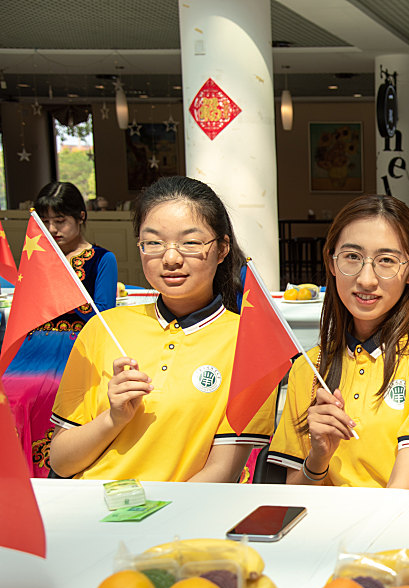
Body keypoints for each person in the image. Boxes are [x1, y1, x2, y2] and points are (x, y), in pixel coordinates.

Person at [48, 176, 274, 481]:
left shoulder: (250, 344)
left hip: (184, 510)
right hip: (92, 504)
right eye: (153, 242)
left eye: (190, 243)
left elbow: (222, 471)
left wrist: (154, 512)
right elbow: (61, 462)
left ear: (222, 249)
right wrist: (113, 418)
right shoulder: (103, 328)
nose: (170, 258)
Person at [267, 195, 409, 490]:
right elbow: (294, 496)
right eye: (352, 257)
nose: (366, 279)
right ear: (332, 262)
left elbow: (404, 488)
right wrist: (318, 457)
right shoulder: (308, 367)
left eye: (386, 261)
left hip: (402, 520)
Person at [3, 181, 118, 477]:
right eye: (46, 221)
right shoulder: (39, 257)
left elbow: (103, 315)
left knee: (44, 394)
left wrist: (68, 287)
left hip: (77, 346)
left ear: (81, 217)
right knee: (9, 393)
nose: (53, 229)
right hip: (33, 346)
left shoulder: (102, 259)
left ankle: (51, 470)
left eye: (61, 220)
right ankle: (16, 476)